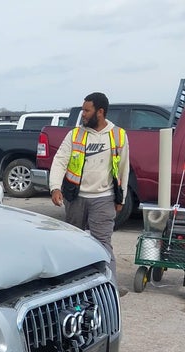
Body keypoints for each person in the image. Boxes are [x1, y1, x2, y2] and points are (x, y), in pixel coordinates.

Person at [49, 92, 130, 278]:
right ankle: (71, 286)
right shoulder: (75, 134)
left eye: (87, 110)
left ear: (100, 112)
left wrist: (121, 199)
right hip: (75, 198)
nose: (83, 114)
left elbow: (124, 168)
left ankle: (109, 288)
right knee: (72, 243)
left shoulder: (118, 135)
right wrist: (55, 187)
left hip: (104, 199)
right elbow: (60, 161)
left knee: (103, 245)